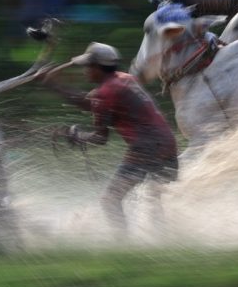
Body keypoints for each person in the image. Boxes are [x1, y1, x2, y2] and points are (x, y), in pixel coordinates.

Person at [40, 42, 179, 232]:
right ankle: (165, 238)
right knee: (154, 199)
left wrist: (76, 135)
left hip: (146, 148)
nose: (85, 71)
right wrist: (55, 86)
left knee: (110, 200)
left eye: (88, 67)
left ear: (98, 68)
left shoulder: (107, 92)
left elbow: (100, 137)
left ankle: (123, 245)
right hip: (168, 144)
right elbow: (90, 102)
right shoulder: (124, 79)